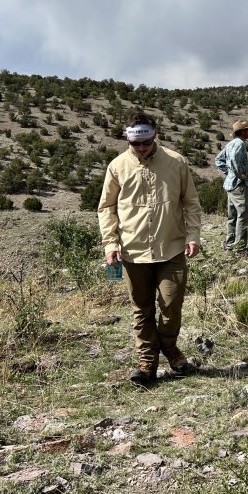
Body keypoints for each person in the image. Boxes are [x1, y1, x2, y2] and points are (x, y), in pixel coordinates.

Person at [98, 112, 202, 388]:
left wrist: (193, 236)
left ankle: (169, 348)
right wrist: (111, 243)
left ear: (155, 135)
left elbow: (190, 202)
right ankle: (147, 363)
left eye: (146, 143)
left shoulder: (176, 162)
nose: (142, 149)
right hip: (133, 251)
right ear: (128, 141)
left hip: (172, 248)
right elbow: (107, 208)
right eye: (136, 144)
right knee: (141, 310)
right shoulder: (117, 167)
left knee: (171, 305)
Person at [215, 119, 248, 251]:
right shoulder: (239, 144)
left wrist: (229, 172)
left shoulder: (230, 144)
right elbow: (235, 160)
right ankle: (240, 246)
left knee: (232, 216)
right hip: (238, 185)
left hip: (230, 185)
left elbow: (218, 160)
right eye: (247, 130)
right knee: (243, 215)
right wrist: (238, 174)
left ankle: (229, 243)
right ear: (242, 132)